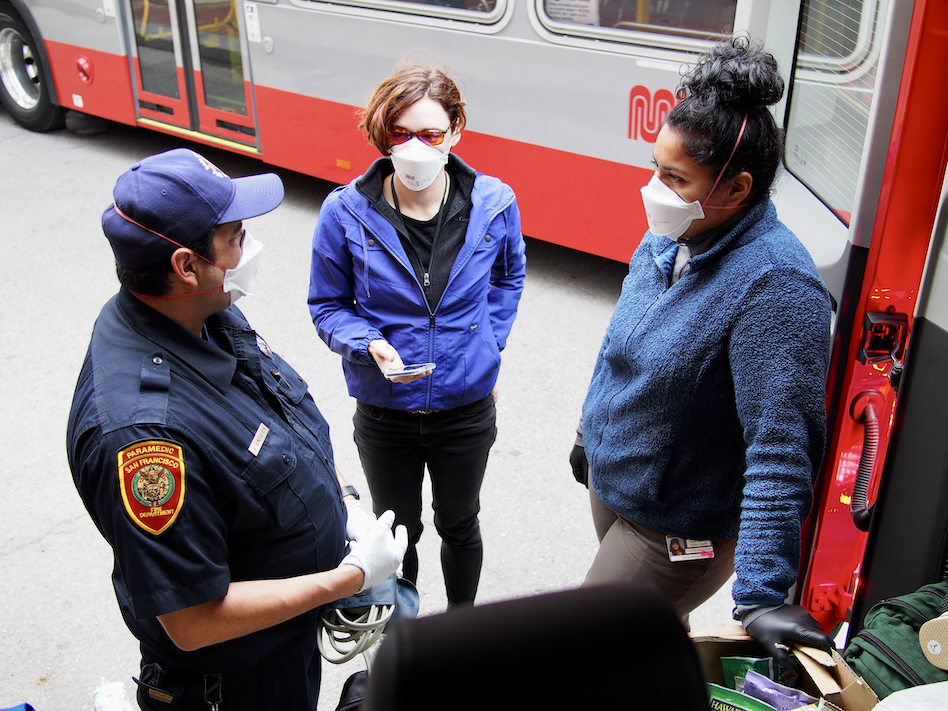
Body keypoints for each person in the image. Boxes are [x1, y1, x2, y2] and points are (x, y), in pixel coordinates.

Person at [66, 148, 407, 711]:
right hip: (230, 685)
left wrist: (342, 504)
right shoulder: (145, 436)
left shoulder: (204, 311)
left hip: (283, 639)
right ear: (185, 264)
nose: (251, 250)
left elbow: (283, 415)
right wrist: (349, 578)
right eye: (237, 237)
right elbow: (194, 619)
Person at [570, 36, 834, 672]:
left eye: (675, 177)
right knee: (648, 650)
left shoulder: (776, 286)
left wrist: (763, 594)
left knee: (579, 650)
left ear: (737, 186)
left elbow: (781, 445)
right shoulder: (675, 231)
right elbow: (619, 348)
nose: (653, 189)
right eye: (655, 166)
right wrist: (589, 432)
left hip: (675, 528)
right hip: (619, 487)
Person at [308, 61, 527, 608]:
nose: (414, 147)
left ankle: (459, 633)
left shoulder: (495, 203)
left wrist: (488, 346)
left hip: (465, 412)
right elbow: (327, 305)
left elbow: (508, 276)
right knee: (397, 533)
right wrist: (368, 343)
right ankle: (403, 640)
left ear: (455, 131)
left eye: (429, 133)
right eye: (400, 134)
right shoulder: (345, 212)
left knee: (460, 525)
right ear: (383, 136)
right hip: (386, 415)